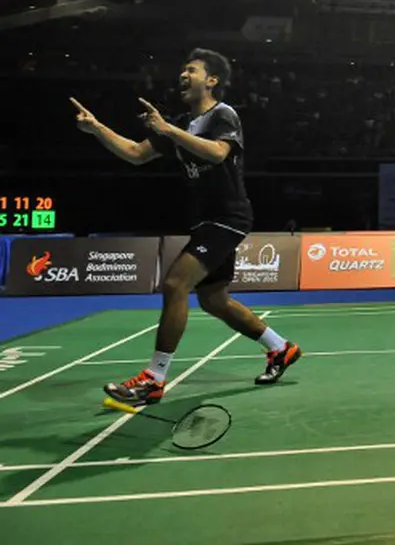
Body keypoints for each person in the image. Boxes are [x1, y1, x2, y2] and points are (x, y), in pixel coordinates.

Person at [71, 48, 301, 406]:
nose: (183, 74)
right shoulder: (179, 123)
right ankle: (280, 348)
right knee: (213, 299)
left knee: (176, 283)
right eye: (182, 69)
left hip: (228, 216)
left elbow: (218, 153)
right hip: (205, 219)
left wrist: (169, 130)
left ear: (212, 80)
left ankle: (153, 379)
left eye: (191, 70)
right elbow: (135, 153)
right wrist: (96, 128)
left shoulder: (222, 114)